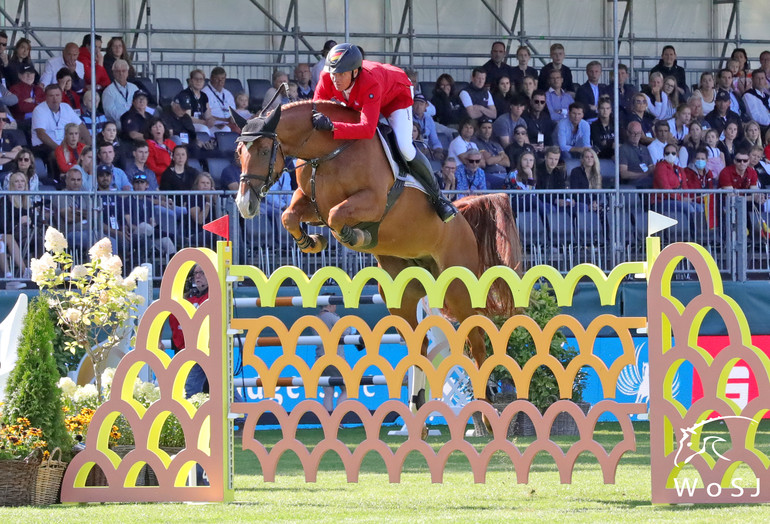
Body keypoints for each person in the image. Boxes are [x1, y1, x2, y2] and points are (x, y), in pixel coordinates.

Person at [312, 42, 457, 221]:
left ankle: (439, 198)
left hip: (396, 95)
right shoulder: (327, 77)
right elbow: (316, 110)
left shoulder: (369, 82)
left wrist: (333, 126)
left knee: (404, 147)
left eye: (341, 74)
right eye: (334, 73)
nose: (336, 79)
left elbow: (367, 129)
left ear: (355, 72)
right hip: (361, 98)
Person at [168, 264, 210, 397]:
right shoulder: (188, 298)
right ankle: (240, 416)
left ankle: (189, 415)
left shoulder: (216, 296)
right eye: (195, 273)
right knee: (222, 385)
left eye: (202, 273)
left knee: (191, 388)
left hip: (206, 349)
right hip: (191, 349)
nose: (198, 276)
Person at [310, 295, 352, 414]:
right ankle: (337, 418)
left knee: (328, 392)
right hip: (335, 359)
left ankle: (328, 420)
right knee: (348, 388)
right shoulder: (332, 317)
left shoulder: (316, 318)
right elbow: (347, 331)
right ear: (330, 304)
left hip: (319, 359)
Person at [31, 84, 87, 164]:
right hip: (44, 146)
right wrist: (61, 150)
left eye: (57, 95)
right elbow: (41, 134)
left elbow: (81, 126)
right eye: (51, 96)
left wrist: (90, 146)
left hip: (66, 144)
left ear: (61, 96)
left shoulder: (66, 107)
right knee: (57, 155)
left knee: (86, 153)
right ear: (46, 97)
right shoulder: (39, 110)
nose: (55, 98)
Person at [102, 59, 139, 130]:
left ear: (128, 72)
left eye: (123, 71)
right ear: (113, 73)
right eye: (118, 71)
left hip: (136, 119)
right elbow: (110, 112)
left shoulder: (134, 88)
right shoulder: (108, 91)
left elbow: (140, 104)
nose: (121, 73)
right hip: (119, 122)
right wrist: (128, 117)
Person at [473, 116, 509, 188]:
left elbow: (507, 163)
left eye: (489, 128)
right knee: (508, 184)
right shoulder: (476, 143)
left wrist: (494, 159)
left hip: (504, 174)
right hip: (490, 174)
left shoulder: (496, 144)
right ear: (479, 129)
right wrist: (501, 156)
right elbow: (488, 161)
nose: (487, 131)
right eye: (484, 128)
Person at [619, 121, 654, 188]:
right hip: (633, 185)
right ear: (628, 133)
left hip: (648, 183)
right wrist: (643, 175)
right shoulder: (623, 149)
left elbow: (651, 167)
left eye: (638, 133)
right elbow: (623, 174)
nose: (636, 136)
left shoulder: (645, 149)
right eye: (633, 133)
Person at [202, 66, 236, 132]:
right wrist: (224, 120)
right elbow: (204, 116)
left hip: (229, 124)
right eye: (217, 79)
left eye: (222, 78)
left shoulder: (228, 94)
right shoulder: (204, 93)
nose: (220, 81)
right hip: (213, 125)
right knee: (227, 130)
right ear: (211, 78)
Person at [144, 117, 177, 184]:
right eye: (155, 127)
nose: (158, 128)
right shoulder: (148, 145)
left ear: (164, 129)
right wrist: (169, 172)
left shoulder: (171, 143)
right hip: (159, 179)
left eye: (160, 126)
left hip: (175, 176)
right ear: (150, 130)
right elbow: (152, 167)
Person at [411, 94, 443, 161]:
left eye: (421, 104)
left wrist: (438, 151)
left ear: (426, 106)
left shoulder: (429, 119)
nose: (418, 106)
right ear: (412, 105)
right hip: (413, 148)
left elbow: (435, 140)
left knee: (442, 155)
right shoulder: (408, 117)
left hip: (426, 149)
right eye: (416, 103)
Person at [0, 104, 23, 178]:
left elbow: (20, 154)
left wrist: (2, 154)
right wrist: (11, 155)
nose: (1, 122)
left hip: (10, 173)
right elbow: (15, 155)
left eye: (4, 120)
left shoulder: (9, 136)